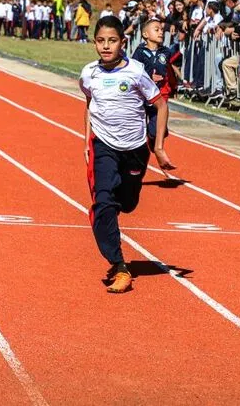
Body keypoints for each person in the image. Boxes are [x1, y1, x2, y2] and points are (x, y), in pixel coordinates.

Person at [81, 15, 174, 294]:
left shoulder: (135, 71)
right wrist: (87, 142)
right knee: (104, 202)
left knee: (128, 203)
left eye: (112, 41)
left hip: (135, 149)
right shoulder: (89, 74)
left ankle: (110, 211)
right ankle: (120, 265)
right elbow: (89, 105)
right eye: (100, 41)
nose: (106, 46)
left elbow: (160, 105)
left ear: (123, 42)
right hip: (104, 146)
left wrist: (157, 147)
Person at [131, 18, 178, 156]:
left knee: (155, 129)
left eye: (162, 30)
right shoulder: (140, 52)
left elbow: (169, 70)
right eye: (156, 30)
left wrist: (174, 87)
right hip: (142, 94)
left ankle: (154, 136)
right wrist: (148, 78)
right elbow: (134, 71)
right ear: (146, 34)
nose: (160, 32)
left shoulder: (166, 52)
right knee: (137, 124)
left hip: (160, 93)